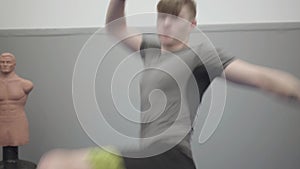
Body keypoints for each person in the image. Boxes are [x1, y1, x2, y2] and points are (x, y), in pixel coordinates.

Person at [37, 0, 300, 169]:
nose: (165, 24)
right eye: (161, 16)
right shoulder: (151, 49)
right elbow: (115, 27)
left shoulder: (200, 56)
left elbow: (262, 78)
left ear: (193, 24)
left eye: (175, 18)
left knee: (55, 163)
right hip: (151, 158)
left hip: (171, 158)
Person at [0, 52, 34, 147]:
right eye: (2, 62)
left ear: (14, 64)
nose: (5, 65)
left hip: (18, 121)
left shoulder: (25, 84)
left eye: (8, 62)